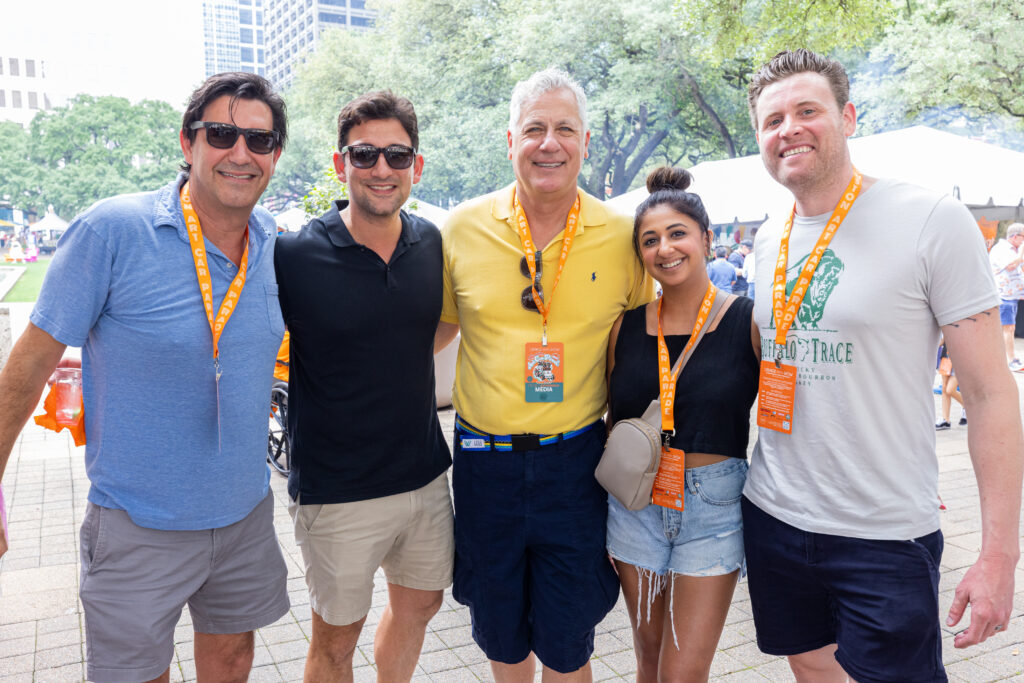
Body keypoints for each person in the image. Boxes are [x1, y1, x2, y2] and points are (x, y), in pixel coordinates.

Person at [744, 49, 1023, 682]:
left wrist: (999, 556)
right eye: (772, 119)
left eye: (806, 111)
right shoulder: (768, 236)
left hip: (885, 530)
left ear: (847, 117)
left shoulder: (931, 220)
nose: (788, 128)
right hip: (774, 514)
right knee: (812, 667)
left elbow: (988, 396)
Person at [0, 72, 290, 682]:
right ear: (188, 145)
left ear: (275, 156)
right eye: (221, 134)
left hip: (244, 515)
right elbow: (28, 367)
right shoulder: (112, 230)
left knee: (235, 659)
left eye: (258, 141)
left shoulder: (276, 247)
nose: (240, 153)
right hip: (137, 524)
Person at [435, 68, 653, 681]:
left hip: (576, 464)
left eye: (564, 129)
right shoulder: (462, 229)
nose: (548, 143)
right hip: (484, 460)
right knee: (503, 641)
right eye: (534, 128)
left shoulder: (621, 236)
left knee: (567, 641)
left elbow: (640, 347)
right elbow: (435, 330)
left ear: (584, 141)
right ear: (510, 141)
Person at [274, 91, 453, 682]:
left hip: (425, 474)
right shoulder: (296, 255)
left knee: (422, 604)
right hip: (338, 488)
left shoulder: (431, 243)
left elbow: (441, 325)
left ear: (416, 167)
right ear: (340, 163)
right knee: (335, 639)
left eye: (397, 155)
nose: (382, 169)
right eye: (365, 154)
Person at [605, 167, 760, 682]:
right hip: (635, 505)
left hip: (713, 508)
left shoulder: (748, 322)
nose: (664, 249)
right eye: (650, 240)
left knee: (683, 671)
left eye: (677, 234)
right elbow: (607, 416)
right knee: (647, 659)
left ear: (706, 239)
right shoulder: (623, 328)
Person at [988, 222, 1024, 370]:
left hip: (1013, 296)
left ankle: (1006, 359)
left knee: (1010, 328)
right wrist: (1021, 254)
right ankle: (1010, 360)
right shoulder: (1001, 249)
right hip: (1003, 295)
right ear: (1015, 236)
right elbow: (1010, 266)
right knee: (1007, 328)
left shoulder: (1015, 249)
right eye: (1023, 237)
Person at [934, 338, 966, 430]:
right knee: (944, 388)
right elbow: (944, 336)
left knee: (950, 389)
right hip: (946, 356)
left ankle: (968, 406)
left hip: (960, 357)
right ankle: (945, 420)